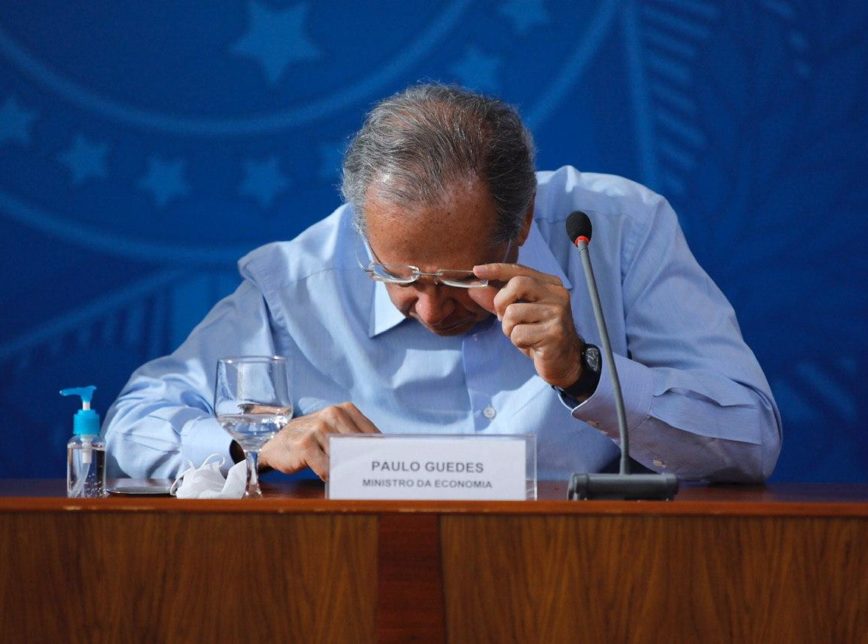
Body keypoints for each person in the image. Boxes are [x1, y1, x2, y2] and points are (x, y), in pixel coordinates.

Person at [104, 83, 781, 483]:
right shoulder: (301, 278)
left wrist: (585, 374)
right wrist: (249, 445)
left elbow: (751, 440)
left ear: (520, 227)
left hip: (584, 577)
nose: (428, 310)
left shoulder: (614, 232)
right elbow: (135, 419)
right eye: (397, 274)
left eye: (459, 278)